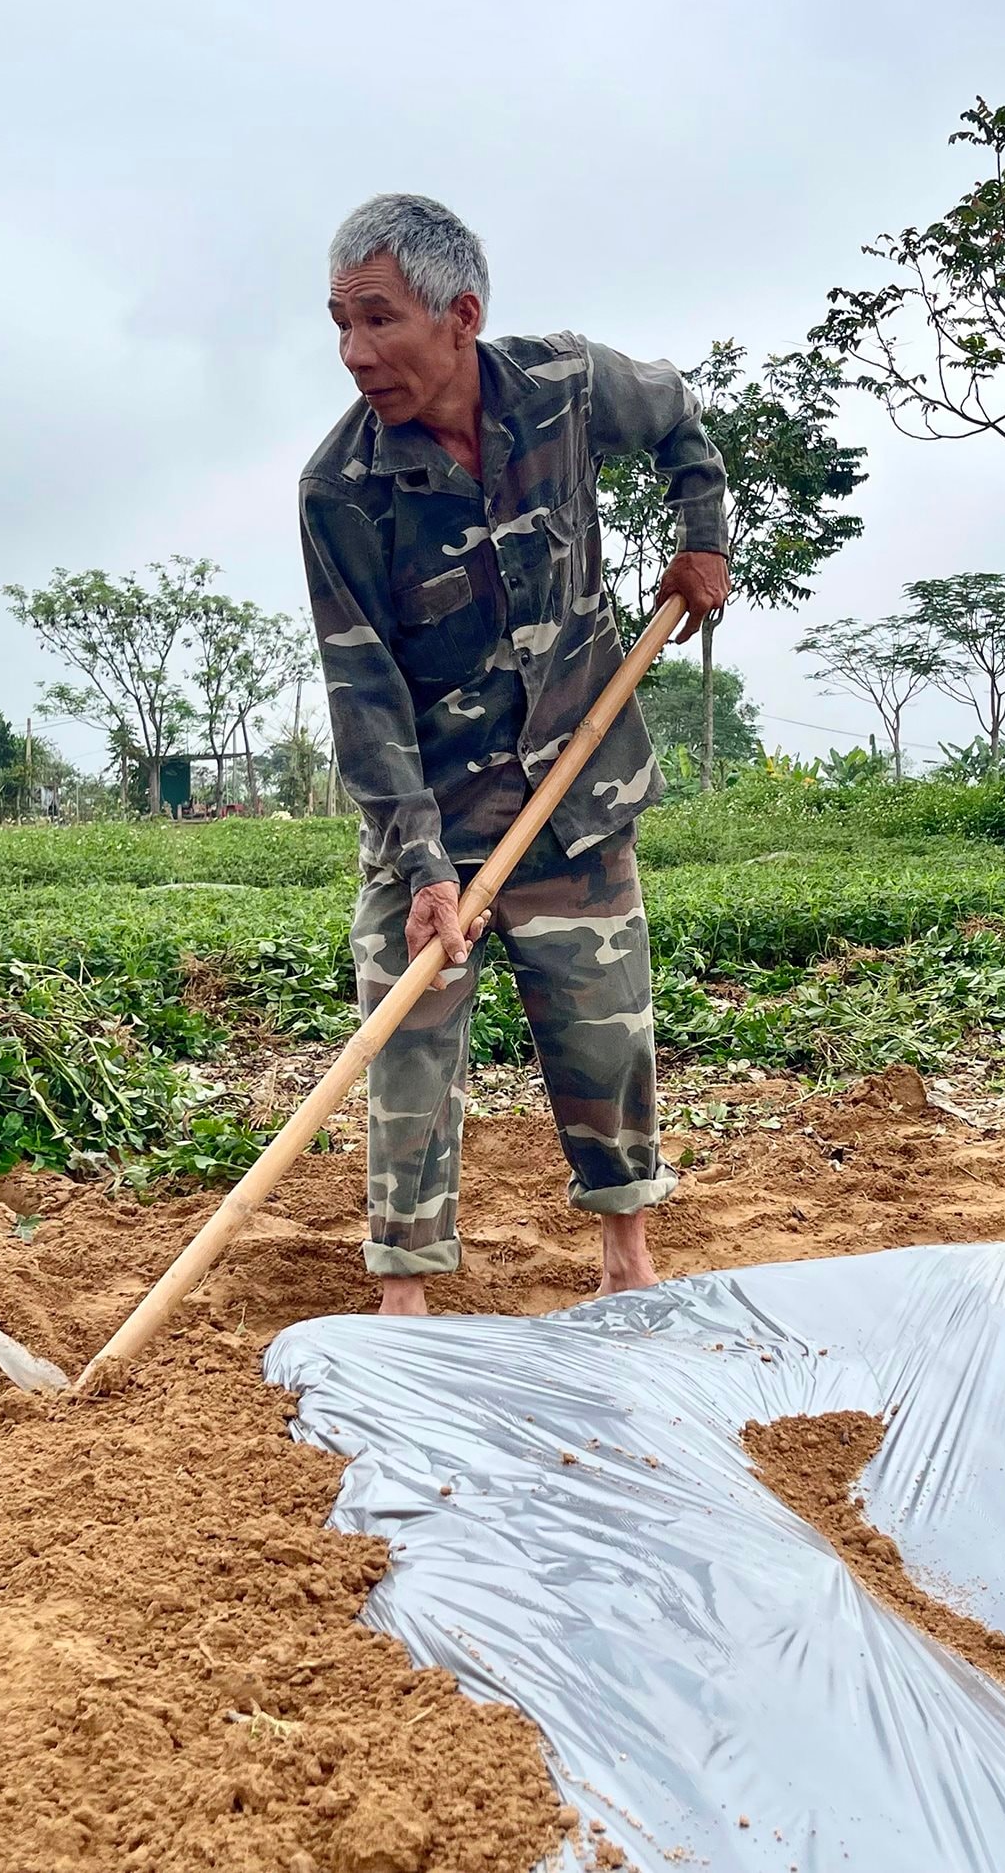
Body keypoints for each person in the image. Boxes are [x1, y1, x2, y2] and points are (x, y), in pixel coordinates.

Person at [298, 193, 729, 1317]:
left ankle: (626, 1254)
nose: (355, 353)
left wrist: (701, 542)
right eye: (338, 323)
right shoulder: (341, 489)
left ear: (460, 316)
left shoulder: (569, 388)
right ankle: (405, 1291)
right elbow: (363, 689)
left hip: (578, 799)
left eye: (378, 319)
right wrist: (424, 867)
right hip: (429, 816)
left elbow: (682, 420)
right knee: (408, 1053)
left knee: (604, 1032)